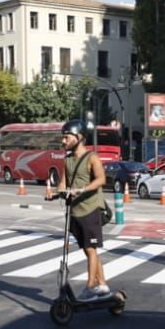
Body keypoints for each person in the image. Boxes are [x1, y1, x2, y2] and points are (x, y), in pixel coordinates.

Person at [60, 126, 111, 298]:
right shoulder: (67, 160)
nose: (63, 141)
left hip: (90, 208)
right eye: (63, 138)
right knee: (89, 250)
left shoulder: (92, 157)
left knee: (90, 249)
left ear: (79, 137)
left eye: (67, 137)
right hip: (75, 211)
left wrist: (82, 190)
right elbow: (63, 182)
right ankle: (102, 285)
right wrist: (57, 192)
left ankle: (90, 287)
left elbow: (101, 179)